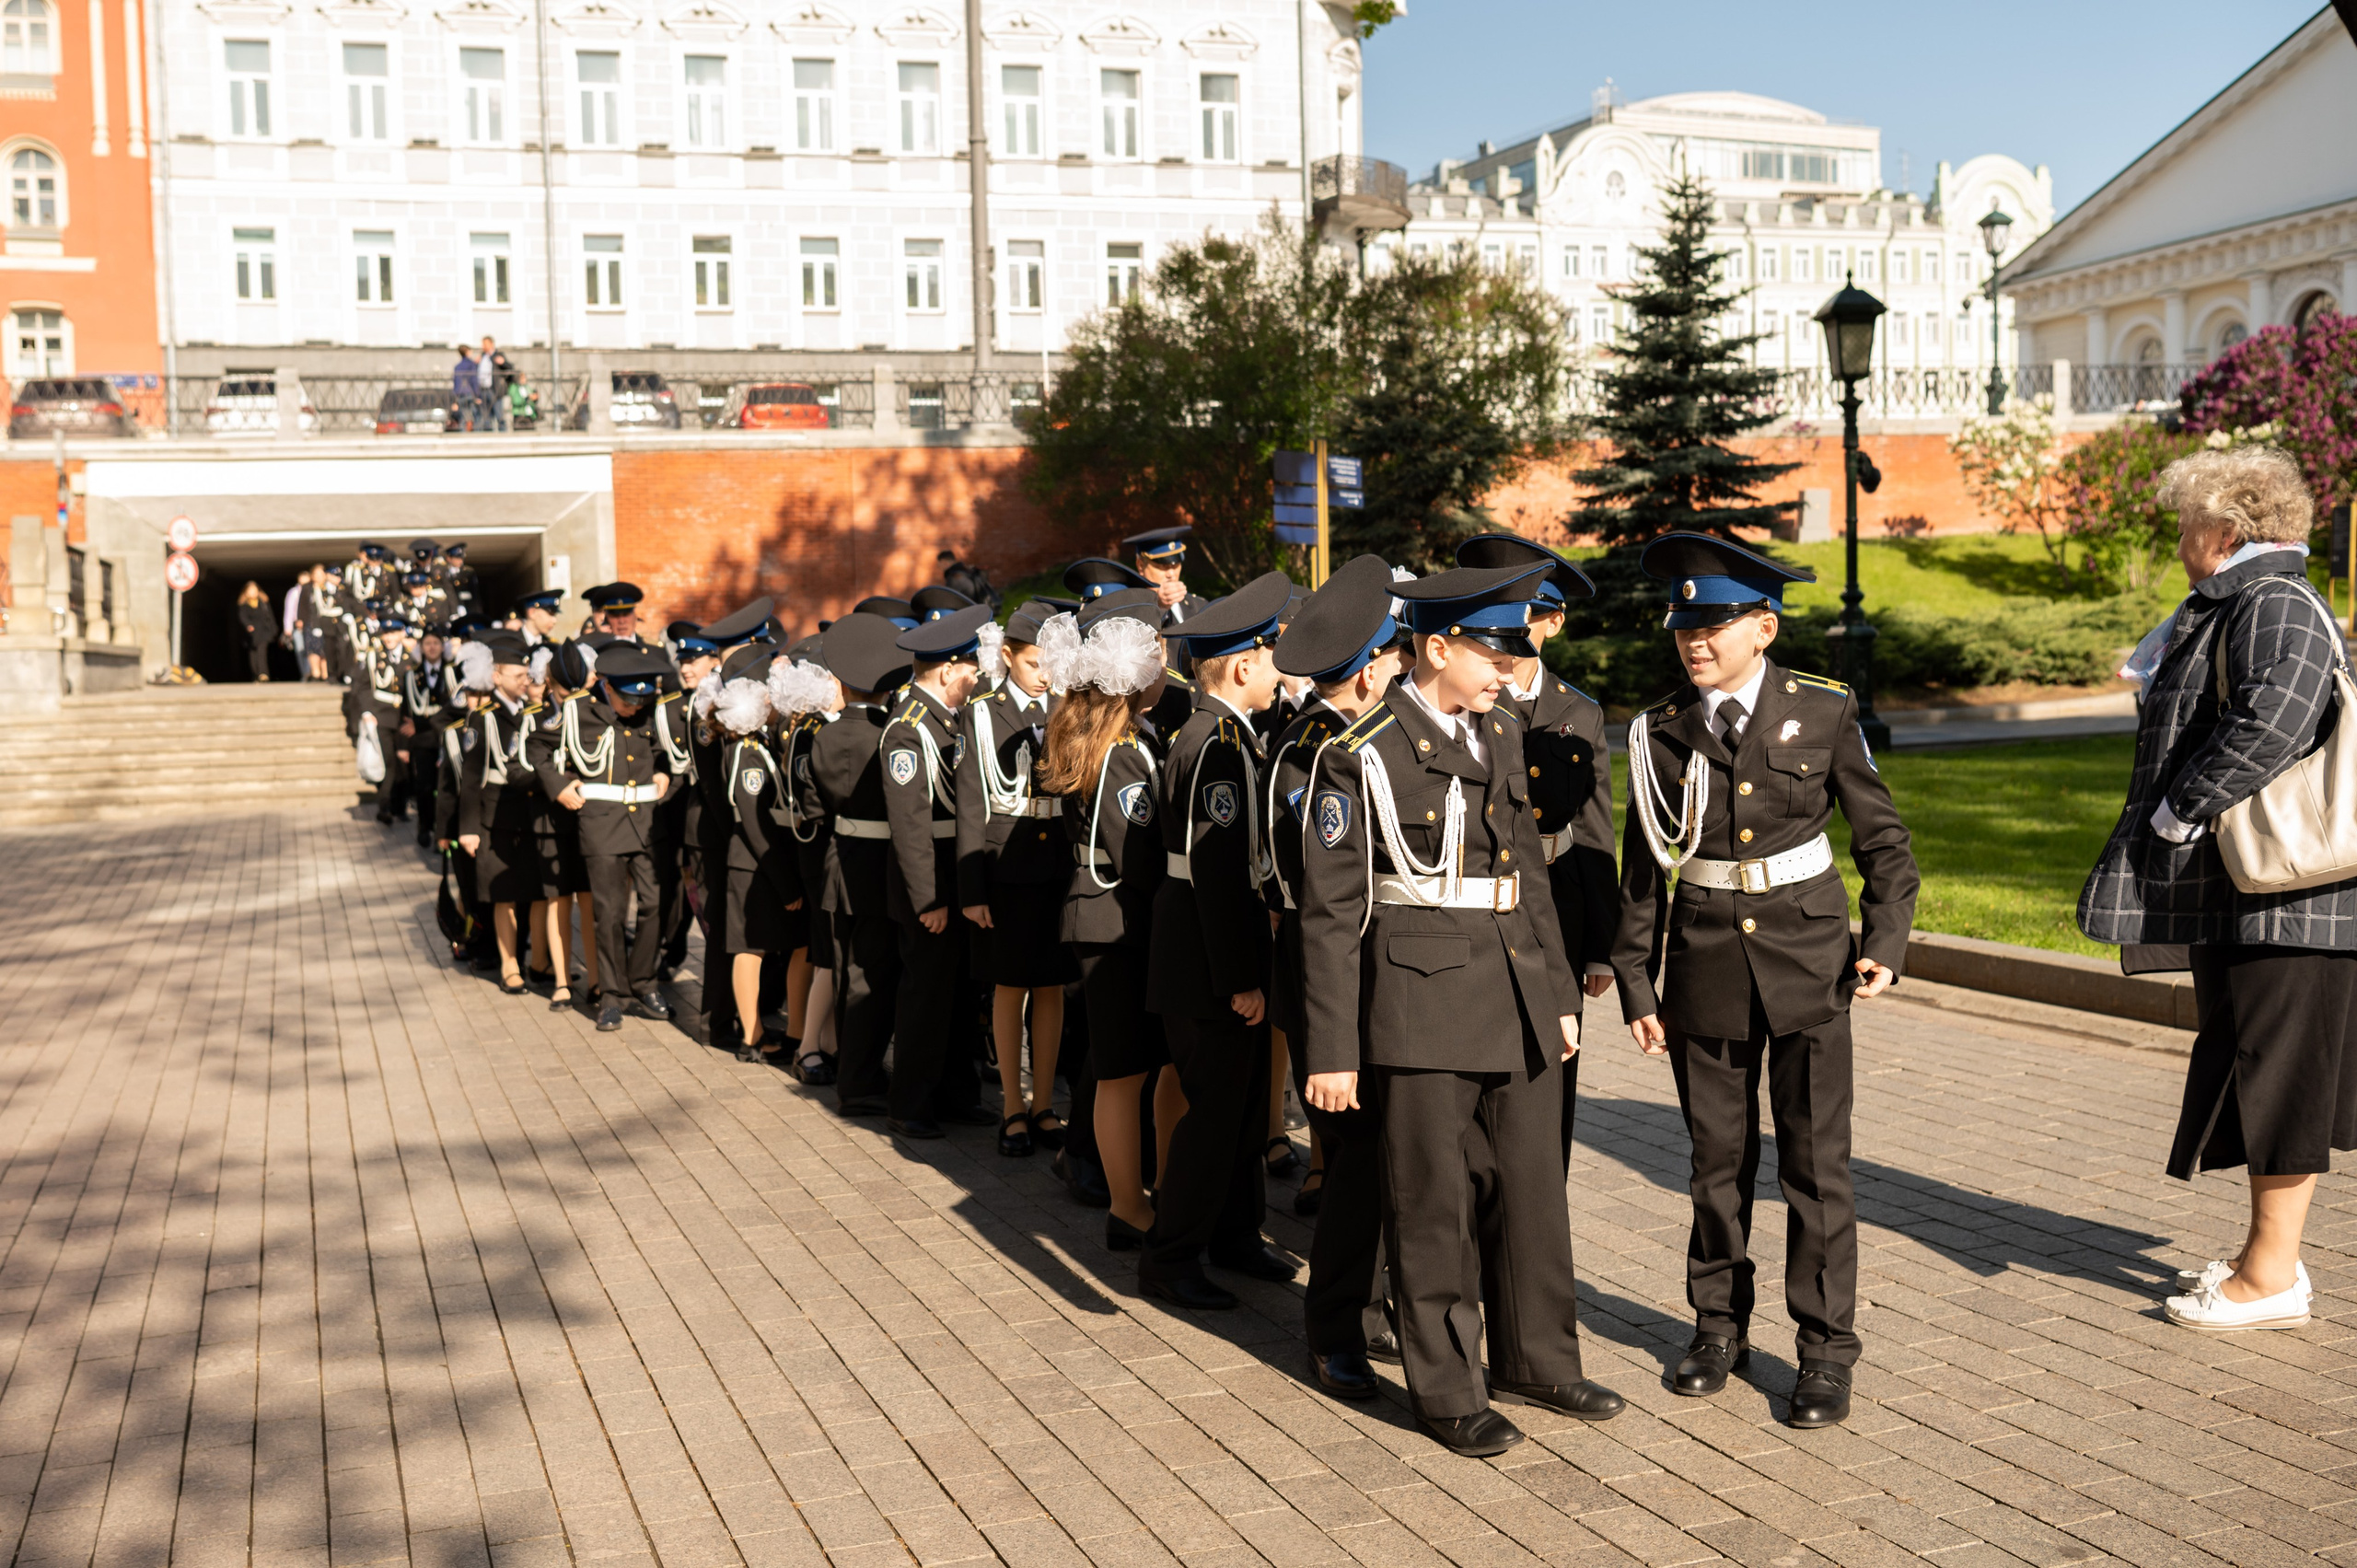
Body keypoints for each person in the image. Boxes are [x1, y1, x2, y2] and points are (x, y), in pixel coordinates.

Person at [1298, 561, 1621, 1457]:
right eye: (1497, 646)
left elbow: (1525, 879)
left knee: (1529, 1189)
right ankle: (1446, 1385)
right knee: (1432, 1201)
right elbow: (1329, 916)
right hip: (1418, 1002)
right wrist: (1332, 1049)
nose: (1510, 664)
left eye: (1518, 644)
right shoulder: (1355, 751)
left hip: (1514, 990)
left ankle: (1537, 1355)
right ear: (1437, 647)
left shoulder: (1501, 729)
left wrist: (1557, 996)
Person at [1613, 532, 1918, 1430]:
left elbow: (1884, 845)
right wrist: (1635, 979)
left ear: (1764, 627)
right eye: (1683, 624)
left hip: (1810, 964)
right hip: (1703, 964)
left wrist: (1887, 941)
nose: (1693, 639)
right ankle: (1716, 1328)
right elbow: (1642, 871)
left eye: (1711, 623)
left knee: (1816, 1169)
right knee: (1716, 1164)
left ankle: (1824, 1349)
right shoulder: (1658, 731)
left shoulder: (1820, 713)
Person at [2079, 447, 2357, 1333]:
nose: (2177, 541)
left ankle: (2274, 1275)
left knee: (2281, 1073)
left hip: (2293, 891)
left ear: (2228, 529)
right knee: (2255, 1060)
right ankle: (2263, 1258)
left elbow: (2276, 713)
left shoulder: (2274, 602)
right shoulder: (2242, 600)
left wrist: (2183, 808)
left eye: (2185, 524)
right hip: (2257, 887)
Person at [1265, 554, 1408, 1400]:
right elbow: (1315, 888)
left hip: (1382, 975)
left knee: (1394, 1154)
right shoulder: (1317, 750)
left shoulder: (1352, 738)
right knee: (1355, 1166)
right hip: (1336, 976)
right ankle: (1334, 1328)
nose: (1404, 669)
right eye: (1395, 658)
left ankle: (1384, 1305)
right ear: (1364, 672)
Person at [1141, 571, 1296, 1312]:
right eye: (1271, 655)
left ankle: (1235, 1233)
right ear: (1242, 665)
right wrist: (1241, 974)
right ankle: (1171, 1257)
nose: (1278, 668)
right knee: (1212, 1115)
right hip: (1208, 955)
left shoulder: (1217, 733)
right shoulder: (1217, 746)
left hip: (1203, 942)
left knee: (1235, 1107)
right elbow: (1218, 871)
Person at [1456, 531, 1620, 1159]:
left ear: (1553, 620)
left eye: (1530, 610)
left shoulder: (1579, 711)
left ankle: (1540, 1200)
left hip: (1559, 902)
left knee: (1555, 1064)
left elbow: (1597, 829)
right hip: (1478, 900)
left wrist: (1603, 947)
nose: (1513, 624)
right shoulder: (1464, 702)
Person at [955, 599, 1076, 1156]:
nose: (1044, 673)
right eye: (1033, 663)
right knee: (1010, 986)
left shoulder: (1067, 703)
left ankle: (1046, 1101)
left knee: (1050, 985)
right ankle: (1011, 1105)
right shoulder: (983, 711)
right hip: (1006, 866)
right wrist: (972, 889)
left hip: (1057, 863)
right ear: (1007, 657)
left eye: (1052, 662)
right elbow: (972, 803)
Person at [878, 603, 999, 1139]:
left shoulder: (949, 720)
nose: (976, 676)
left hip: (954, 875)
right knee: (926, 998)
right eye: (970, 666)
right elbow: (910, 828)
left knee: (957, 995)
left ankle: (955, 1093)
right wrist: (928, 899)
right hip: (927, 884)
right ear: (948, 670)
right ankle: (911, 1104)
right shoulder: (907, 730)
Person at [540, 644, 680, 1030]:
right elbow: (536, 748)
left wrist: (665, 771)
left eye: (640, 701)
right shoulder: (576, 710)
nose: (634, 709)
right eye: (626, 701)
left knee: (656, 904)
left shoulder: (648, 708)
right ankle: (613, 995)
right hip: (601, 824)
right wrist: (558, 786)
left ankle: (643, 981)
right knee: (611, 914)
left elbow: (665, 749)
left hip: (647, 821)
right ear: (605, 685)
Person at [808, 611, 912, 1115]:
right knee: (872, 978)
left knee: (851, 971)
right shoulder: (890, 736)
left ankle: (855, 1070)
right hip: (881, 866)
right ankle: (860, 1080)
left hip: (841, 860)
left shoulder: (823, 737)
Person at [703, 643, 806, 1063]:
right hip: (754, 867)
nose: (771, 699)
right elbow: (756, 826)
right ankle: (751, 1036)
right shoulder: (746, 751)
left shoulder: (754, 743)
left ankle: (763, 1030)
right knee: (751, 949)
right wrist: (785, 885)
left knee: (764, 946)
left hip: (756, 865)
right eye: (765, 692)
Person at [453, 629, 542, 992]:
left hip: (531, 812)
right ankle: (509, 964)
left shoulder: (534, 713)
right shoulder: (483, 718)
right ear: (497, 677)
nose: (525, 681)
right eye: (518, 676)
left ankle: (536, 960)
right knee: (503, 893)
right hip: (497, 816)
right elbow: (471, 779)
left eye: (527, 675)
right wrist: (468, 828)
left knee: (532, 892)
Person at [525, 642, 602, 1009]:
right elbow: (534, 751)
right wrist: (559, 787)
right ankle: (561, 979)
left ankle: (597, 979)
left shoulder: (595, 713)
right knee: (560, 901)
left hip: (588, 820)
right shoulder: (544, 719)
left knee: (589, 902)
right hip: (551, 823)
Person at [403, 630, 454, 848]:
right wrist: (404, 744)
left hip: (446, 737)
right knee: (424, 787)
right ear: (421, 648)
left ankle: (442, 831)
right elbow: (407, 713)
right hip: (423, 741)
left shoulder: (452, 672)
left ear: (443, 647)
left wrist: (422, 723)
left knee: (445, 788)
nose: (432, 647)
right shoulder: (411, 675)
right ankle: (425, 827)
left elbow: (452, 707)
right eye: (427, 643)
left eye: (436, 643)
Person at [1126, 527, 1211, 625]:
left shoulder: (1199, 605)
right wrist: (1160, 606)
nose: (1171, 574)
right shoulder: (1130, 610)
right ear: (1141, 566)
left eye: (1175, 565)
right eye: (1163, 566)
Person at [235, 581, 275, 681]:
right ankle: (256, 673)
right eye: (250, 590)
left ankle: (263, 674)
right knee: (253, 654)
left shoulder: (263, 603)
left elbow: (270, 616)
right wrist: (248, 625)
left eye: (255, 590)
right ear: (246, 592)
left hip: (264, 632)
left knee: (262, 652)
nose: (253, 592)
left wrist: (274, 629)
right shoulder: (243, 605)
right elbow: (242, 617)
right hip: (251, 634)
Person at [480, 337, 515, 433]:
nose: (483, 346)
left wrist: (503, 362)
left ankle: (502, 432)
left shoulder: (498, 355)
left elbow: (510, 368)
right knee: (486, 415)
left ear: (491, 344)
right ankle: (487, 434)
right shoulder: (483, 356)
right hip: (483, 389)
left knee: (499, 414)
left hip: (495, 390)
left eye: (485, 344)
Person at [452, 345, 482, 431]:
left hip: (460, 394)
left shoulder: (458, 366)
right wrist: (478, 395)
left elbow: (456, 383)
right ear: (467, 352)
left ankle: (463, 435)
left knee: (464, 417)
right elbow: (474, 380)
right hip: (470, 393)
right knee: (476, 416)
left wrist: (455, 399)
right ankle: (477, 435)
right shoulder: (471, 365)